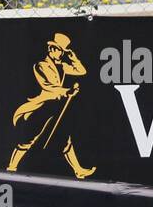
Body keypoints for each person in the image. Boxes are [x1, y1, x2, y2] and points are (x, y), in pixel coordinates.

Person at [7, 33, 97, 179]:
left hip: (56, 106)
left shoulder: (62, 66)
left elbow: (81, 71)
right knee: (29, 139)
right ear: (51, 49)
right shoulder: (41, 65)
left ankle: (78, 170)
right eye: (54, 49)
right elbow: (49, 87)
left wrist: (73, 57)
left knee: (65, 138)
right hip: (42, 106)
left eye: (59, 50)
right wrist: (68, 91)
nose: (55, 52)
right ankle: (11, 168)